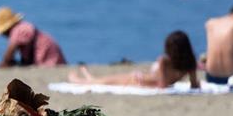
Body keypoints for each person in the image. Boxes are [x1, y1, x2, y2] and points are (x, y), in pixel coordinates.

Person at [67, 31, 200, 88]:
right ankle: (81, 77)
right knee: (101, 82)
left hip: (140, 80)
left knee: (102, 82)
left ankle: (82, 75)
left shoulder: (165, 61)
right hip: (137, 79)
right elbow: (193, 85)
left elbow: (162, 85)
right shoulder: (188, 63)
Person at [0, 6, 67, 67]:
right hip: (55, 59)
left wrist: (4, 63)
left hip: (49, 61)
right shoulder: (24, 26)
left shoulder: (19, 30)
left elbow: (9, 54)